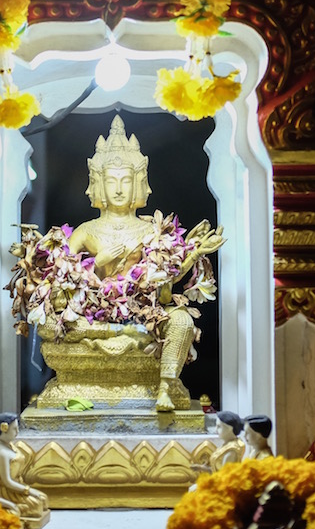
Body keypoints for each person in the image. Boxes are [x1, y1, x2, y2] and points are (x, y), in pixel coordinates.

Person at [66, 116, 225, 411]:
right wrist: (97, 264)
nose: (118, 189)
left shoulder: (151, 230)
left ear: (138, 183)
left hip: (143, 308)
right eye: (111, 181)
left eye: (125, 181)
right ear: (97, 183)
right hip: (96, 309)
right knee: (54, 325)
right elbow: (58, 282)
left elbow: (163, 289)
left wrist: (192, 254)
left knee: (181, 320)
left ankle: (165, 387)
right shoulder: (86, 231)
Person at [0, 412, 50, 529]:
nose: (17, 432)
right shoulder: (1, 452)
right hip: (8, 492)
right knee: (37, 505)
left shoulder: (10, 445)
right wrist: (28, 490)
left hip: (19, 486)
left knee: (44, 499)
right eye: (14, 429)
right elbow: (7, 481)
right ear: (4, 429)